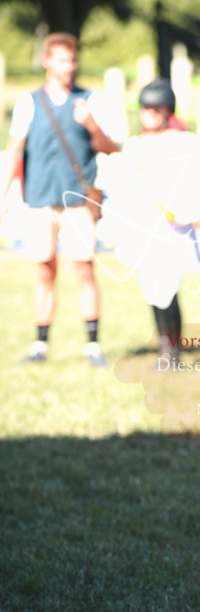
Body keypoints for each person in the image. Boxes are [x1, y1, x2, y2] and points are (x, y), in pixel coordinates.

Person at [1, 32, 118, 366]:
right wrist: (4, 195)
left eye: (73, 60)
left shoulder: (89, 101)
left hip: (77, 200)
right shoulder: (29, 102)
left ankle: (93, 345)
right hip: (39, 199)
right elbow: (15, 151)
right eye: (63, 60)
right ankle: (40, 344)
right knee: (44, 271)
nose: (69, 67)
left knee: (83, 269)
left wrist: (92, 126)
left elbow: (109, 147)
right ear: (47, 61)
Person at [115, 78, 200, 367]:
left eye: (155, 108)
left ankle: (172, 351)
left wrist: (183, 212)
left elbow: (193, 184)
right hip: (143, 224)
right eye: (144, 108)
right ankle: (165, 345)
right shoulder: (133, 145)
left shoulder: (183, 142)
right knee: (151, 288)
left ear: (168, 110)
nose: (148, 113)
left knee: (167, 287)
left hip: (170, 227)